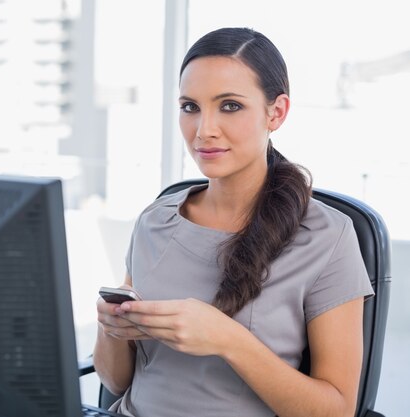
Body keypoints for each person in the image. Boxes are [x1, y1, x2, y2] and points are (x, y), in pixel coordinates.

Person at [93, 27, 374, 417]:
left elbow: (337, 410)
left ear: (276, 112)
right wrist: (111, 330)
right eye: (190, 106)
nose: (204, 129)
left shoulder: (328, 237)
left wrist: (229, 340)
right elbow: (115, 381)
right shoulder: (154, 221)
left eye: (229, 106)